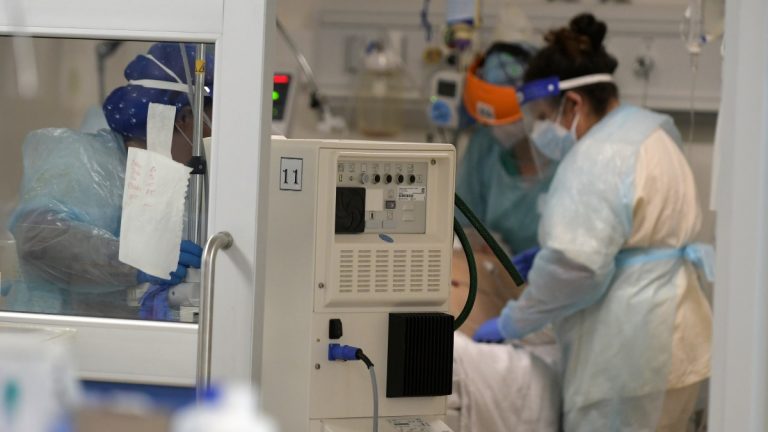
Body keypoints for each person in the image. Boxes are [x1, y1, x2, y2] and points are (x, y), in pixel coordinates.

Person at [474, 14, 713, 431]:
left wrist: (514, 321)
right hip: (680, 338)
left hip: (632, 355)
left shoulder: (595, 157)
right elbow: (631, 235)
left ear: (573, 104)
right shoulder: (649, 131)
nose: (539, 131)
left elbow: (575, 270)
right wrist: (553, 255)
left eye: (543, 116)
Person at [6, 43, 214, 319]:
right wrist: (136, 261)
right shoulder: (84, 161)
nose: (213, 134)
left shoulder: (173, 180)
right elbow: (38, 239)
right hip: (55, 333)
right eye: (212, 120)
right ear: (185, 118)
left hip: (121, 337)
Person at [456, 42, 559, 254]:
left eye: (507, 116)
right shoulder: (485, 147)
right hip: (495, 269)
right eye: (492, 120)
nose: (497, 128)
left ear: (537, 105)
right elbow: (463, 228)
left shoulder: (568, 152)